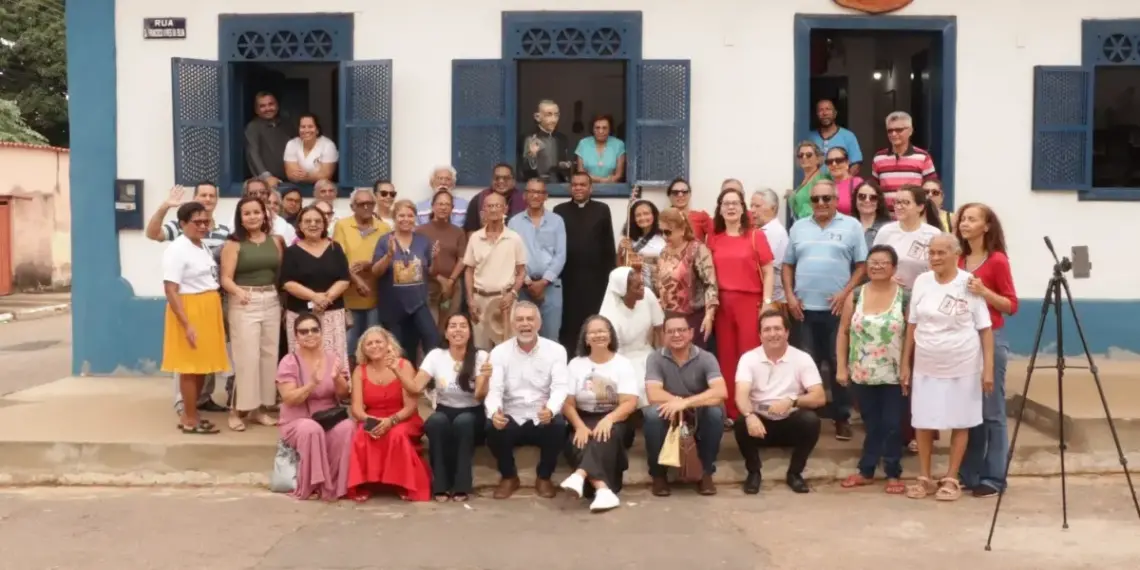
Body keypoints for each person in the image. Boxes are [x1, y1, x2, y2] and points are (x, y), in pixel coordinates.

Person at [902, 234, 994, 501]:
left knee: (960, 419)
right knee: (923, 419)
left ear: (956, 254)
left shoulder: (969, 283)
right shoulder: (922, 281)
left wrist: (987, 369)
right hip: (927, 363)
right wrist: (905, 364)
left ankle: (952, 478)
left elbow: (985, 330)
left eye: (941, 252)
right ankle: (925, 477)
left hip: (962, 362)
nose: (935, 258)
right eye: (931, 253)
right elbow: (912, 325)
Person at [782, 178, 867, 441]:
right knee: (806, 363)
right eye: (815, 199)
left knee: (837, 360)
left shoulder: (851, 226)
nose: (820, 203)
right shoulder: (798, 227)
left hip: (837, 309)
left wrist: (846, 293)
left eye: (826, 198)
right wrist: (789, 296)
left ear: (836, 200)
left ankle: (842, 417)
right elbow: (787, 265)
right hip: (804, 310)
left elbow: (862, 265)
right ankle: (809, 417)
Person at [147, 183, 230, 416]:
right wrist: (186, 323)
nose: (203, 226)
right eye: (197, 223)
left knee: (203, 366)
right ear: (183, 224)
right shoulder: (177, 248)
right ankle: (189, 418)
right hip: (191, 308)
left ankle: (195, 412)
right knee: (190, 368)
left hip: (208, 307)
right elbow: (171, 289)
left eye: (205, 222)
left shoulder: (202, 244)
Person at [955, 203, 1018, 498]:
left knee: (992, 412)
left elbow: (1010, 305)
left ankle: (994, 477)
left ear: (986, 226)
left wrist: (985, 292)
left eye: (972, 219)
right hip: (963, 341)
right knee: (969, 410)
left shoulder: (997, 261)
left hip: (991, 337)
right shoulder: (958, 260)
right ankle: (970, 473)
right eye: (963, 219)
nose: (965, 223)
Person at [836, 245, 909, 494]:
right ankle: (866, 470)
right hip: (862, 371)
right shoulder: (855, 295)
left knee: (891, 423)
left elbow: (911, 335)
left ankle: (892, 473)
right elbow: (843, 332)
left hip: (894, 372)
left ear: (894, 268)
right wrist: (841, 367)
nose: (877, 266)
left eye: (883, 262)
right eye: (872, 262)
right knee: (871, 422)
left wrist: (908, 366)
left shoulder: (904, 297)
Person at [733, 310, 826, 494]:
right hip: (760, 424)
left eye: (777, 328)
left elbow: (819, 397)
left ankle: (795, 473)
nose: (773, 334)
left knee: (811, 421)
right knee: (741, 423)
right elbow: (740, 395)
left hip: (789, 421)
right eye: (767, 330)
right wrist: (750, 415)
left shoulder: (802, 358)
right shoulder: (749, 358)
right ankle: (753, 472)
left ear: (787, 332)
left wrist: (793, 401)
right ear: (760, 335)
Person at [484, 302, 569, 499]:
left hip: (541, 415)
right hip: (512, 414)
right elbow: (494, 390)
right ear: (513, 324)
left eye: (530, 319)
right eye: (520, 319)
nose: (525, 324)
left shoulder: (556, 351)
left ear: (539, 323)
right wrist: (495, 412)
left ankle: (544, 477)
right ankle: (509, 476)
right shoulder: (499, 352)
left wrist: (551, 409)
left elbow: (560, 388)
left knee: (558, 425)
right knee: (492, 426)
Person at [707, 187, 775, 421]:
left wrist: (767, 302)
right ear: (720, 209)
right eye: (726, 203)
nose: (731, 207)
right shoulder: (713, 238)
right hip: (723, 304)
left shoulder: (756, 235)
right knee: (726, 356)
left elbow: (768, 271)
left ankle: (754, 407)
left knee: (750, 355)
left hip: (750, 301)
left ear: (743, 207)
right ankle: (731, 411)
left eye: (735, 203)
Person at [643, 313, 728, 497]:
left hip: (698, 412)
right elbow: (653, 394)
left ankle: (705, 473)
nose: (676, 335)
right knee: (651, 415)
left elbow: (721, 392)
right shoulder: (655, 358)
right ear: (664, 335)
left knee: (715, 412)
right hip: (670, 414)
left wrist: (685, 403)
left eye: (681, 330)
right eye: (671, 331)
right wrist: (676, 403)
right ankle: (658, 475)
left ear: (691, 333)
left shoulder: (706, 358)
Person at [560, 315, 639, 512]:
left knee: (606, 435)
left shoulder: (623, 364)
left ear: (611, 336)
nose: (598, 335)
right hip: (583, 417)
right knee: (581, 440)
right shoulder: (575, 365)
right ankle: (603, 490)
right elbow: (567, 403)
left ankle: (579, 475)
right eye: (593, 332)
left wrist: (609, 419)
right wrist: (578, 425)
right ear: (585, 339)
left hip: (617, 418)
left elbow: (630, 402)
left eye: (602, 331)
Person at [410, 314, 492, 502]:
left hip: (473, 413)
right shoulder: (436, 356)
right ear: (446, 333)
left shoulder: (481, 356)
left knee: (464, 422)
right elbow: (415, 387)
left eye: (463, 326)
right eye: (453, 326)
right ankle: (440, 485)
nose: (458, 330)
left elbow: (479, 395)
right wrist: (397, 370)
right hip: (445, 410)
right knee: (436, 421)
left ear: (470, 332)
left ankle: (462, 485)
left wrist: (485, 377)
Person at [219, 196, 284, 432]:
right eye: (247, 213)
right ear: (240, 218)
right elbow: (225, 278)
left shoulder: (275, 241)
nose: (253, 217)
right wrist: (238, 292)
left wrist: (280, 300)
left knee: (268, 357)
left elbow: (279, 274)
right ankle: (236, 410)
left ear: (264, 214)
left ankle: (259, 409)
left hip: (271, 300)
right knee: (247, 359)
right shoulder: (234, 244)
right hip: (244, 301)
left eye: (256, 212)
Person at [346, 326, 432, 502]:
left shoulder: (403, 365)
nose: (374, 346)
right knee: (362, 435)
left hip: (403, 417)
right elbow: (356, 409)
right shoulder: (359, 370)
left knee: (396, 435)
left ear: (388, 344)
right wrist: (370, 420)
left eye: (379, 342)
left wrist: (391, 421)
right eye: (369, 343)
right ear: (363, 349)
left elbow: (410, 406)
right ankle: (366, 484)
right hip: (373, 417)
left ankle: (401, 484)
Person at [275, 313, 355, 501]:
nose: (309, 334)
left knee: (347, 427)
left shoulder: (332, 357)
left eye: (314, 330)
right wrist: (311, 384)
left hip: (327, 417)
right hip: (297, 420)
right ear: (296, 336)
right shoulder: (289, 361)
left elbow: (344, 395)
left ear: (321, 332)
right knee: (311, 429)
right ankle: (312, 486)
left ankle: (336, 486)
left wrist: (336, 379)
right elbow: (289, 398)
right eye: (304, 331)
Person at [279, 205, 351, 371]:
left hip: (332, 314)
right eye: (308, 221)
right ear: (300, 226)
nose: (313, 224)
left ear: (324, 225)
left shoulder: (335, 248)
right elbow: (287, 282)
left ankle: (335, 394)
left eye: (318, 221)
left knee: (333, 359)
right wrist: (314, 297)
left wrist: (326, 298)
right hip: (301, 314)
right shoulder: (291, 252)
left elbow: (344, 279)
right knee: (304, 361)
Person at [553, 172, 617, 350]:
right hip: (568, 277)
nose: (578, 188)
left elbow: (608, 245)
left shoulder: (602, 209)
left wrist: (610, 277)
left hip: (595, 278)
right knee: (569, 319)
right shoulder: (560, 210)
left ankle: (594, 353)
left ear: (591, 188)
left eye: (582, 185)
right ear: (570, 188)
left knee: (593, 318)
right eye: (575, 185)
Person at [371, 199, 441, 361]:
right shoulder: (384, 240)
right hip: (393, 304)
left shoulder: (423, 241)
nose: (406, 219)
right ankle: (404, 383)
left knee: (431, 337)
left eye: (410, 216)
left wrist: (436, 258)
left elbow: (432, 272)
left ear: (415, 218)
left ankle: (428, 380)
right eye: (401, 215)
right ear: (394, 218)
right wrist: (389, 255)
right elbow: (376, 272)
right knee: (399, 348)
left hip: (418, 303)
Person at [332, 188, 391, 367]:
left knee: (374, 343)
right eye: (361, 204)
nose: (366, 207)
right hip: (349, 295)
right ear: (352, 207)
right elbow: (338, 258)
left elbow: (387, 258)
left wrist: (369, 265)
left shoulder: (384, 228)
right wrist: (356, 280)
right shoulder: (342, 225)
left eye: (370, 203)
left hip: (375, 294)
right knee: (349, 344)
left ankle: (371, 383)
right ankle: (349, 387)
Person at [464, 192, 528, 349]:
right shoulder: (475, 237)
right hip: (480, 300)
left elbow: (521, 272)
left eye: (497, 205)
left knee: (507, 348)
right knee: (481, 349)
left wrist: (512, 294)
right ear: (483, 210)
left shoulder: (514, 238)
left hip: (505, 301)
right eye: (489, 206)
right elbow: (468, 271)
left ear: (505, 209)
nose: (493, 209)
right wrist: (470, 299)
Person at [507, 178, 566, 341]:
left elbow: (561, 255)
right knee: (523, 337)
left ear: (546, 196)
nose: (535, 196)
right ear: (525, 195)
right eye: (531, 192)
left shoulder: (557, 221)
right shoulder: (514, 222)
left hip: (551, 287)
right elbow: (512, 256)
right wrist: (526, 281)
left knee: (551, 337)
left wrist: (544, 282)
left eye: (539, 192)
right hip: (523, 287)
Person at [598, 266, 664, 409]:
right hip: (620, 357)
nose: (643, 288)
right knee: (637, 382)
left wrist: (664, 356)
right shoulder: (610, 314)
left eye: (642, 284)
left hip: (647, 352)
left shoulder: (648, 295)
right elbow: (610, 352)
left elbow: (660, 329)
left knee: (656, 379)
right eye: (637, 287)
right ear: (623, 291)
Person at [655, 207, 718, 349]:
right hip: (669, 318)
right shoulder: (664, 252)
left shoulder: (697, 250)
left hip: (692, 318)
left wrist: (709, 315)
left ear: (682, 230)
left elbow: (710, 284)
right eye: (661, 232)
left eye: (668, 232)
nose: (664, 237)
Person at [872, 184, 942, 289]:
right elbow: (872, 263)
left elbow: (941, 267)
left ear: (920, 207)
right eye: (897, 202)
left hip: (924, 293)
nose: (899, 206)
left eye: (906, 202)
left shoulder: (934, 234)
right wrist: (887, 279)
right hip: (890, 292)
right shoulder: (885, 231)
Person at [417, 190, 468, 334]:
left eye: (447, 204)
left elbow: (462, 258)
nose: (443, 207)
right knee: (430, 329)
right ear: (432, 207)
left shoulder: (458, 232)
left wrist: (450, 281)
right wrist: (440, 279)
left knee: (449, 328)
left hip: (452, 288)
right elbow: (419, 261)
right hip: (429, 286)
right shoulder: (420, 231)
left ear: (452, 208)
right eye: (440, 204)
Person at [463, 163, 527, 234]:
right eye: (497, 178)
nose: (501, 181)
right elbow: (471, 231)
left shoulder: (524, 199)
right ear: (492, 180)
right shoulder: (478, 199)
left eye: (506, 178)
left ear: (513, 181)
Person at [617, 199, 665, 291]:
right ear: (633, 219)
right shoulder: (628, 240)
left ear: (654, 215)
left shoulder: (664, 237)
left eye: (646, 213)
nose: (642, 218)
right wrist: (621, 252)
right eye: (638, 215)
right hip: (637, 289)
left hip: (658, 287)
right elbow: (620, 269)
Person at [520, 99, 573, 183]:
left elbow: (564, 165)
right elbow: (524, 170)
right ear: (537, 117)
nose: (554, 120)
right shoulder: (529, 138)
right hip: (537, 186)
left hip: (558, 186)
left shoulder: (562, 138)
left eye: (556, 115)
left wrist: (564, 165)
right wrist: (532, 155)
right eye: (549, 115)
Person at [807, 99, 863, 174]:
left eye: (828, 109)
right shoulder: (809, 137)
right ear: (816, 114)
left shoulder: (848, 136)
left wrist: (843, 183)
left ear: (835, 113)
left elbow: (856, 164)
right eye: (820, 110)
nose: (824, 113)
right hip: (814, 184)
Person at [284, 113, 338, 184]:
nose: (306, 130)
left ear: (317, 130)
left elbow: (326, 175)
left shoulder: (328, 145)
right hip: (297, 187)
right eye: (303, 127)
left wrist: (308, 176)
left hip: (322, 189)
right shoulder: (292, 144)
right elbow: (291, 174)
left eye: (310, 126)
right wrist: (313, 176)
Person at [574, 114, 626, 183]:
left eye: (604, 128)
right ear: (592, 129)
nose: (601, 131)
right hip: (588, 188)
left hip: (612, 188)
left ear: (610, 129)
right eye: (597, 128)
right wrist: (602, 180)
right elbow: (580, 172)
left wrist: (607, 181)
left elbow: (619, 175)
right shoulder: (583, 144)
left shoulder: (618, 144)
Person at [788, 141, 829, 221]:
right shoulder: (805, 180)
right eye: (801, 155)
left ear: (818, 159)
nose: (804, 157)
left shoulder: (821, 180)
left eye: (809, 155)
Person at [664, 178, 714, 243]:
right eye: (675, 192)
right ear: (669, 196)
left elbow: (718, 233)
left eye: (684, 192)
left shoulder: (701, 217)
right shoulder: (663, 219)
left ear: (690, 194)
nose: (680, 195)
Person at [852, 180, 891, 250]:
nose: (867, 200)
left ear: (879, 201)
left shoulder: (889, 228)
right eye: (862, 196)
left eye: (873, 197)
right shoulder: (846, 226)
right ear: (855, 199)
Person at [824, 146, 863, 216]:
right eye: (829, 161)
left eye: (838, 160)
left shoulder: (857, 183)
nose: (834, 164)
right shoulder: (826, 186)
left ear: (847, 163)